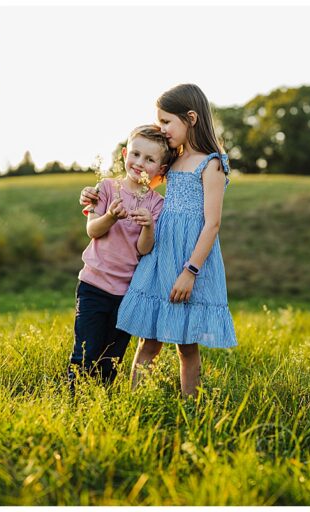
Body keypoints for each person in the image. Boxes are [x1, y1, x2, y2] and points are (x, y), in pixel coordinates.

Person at [81, 84, 237, 396]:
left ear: (190, 118)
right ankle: (136, 400)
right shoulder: (173, 160)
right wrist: (95, 193)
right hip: (159, 256)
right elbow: (134, 183)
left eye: (166, 122)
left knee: (186, 345)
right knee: (148, 340)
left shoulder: (212, 163)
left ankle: (190, 407)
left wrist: (190, 271)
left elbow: (212, 224)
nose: (161, 129)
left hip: (188, 260)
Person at [69, 125, 172, 390]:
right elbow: (93, 230)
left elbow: (144, 249)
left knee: (111, 359)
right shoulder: (106, 188)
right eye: (136, 154)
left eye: (150, 160)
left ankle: (102, 400)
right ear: (125, 154)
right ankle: (74, 400)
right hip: (93, 286)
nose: (140, 163)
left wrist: (148, 226)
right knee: (85, 352)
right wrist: (111, 216)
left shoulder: (156, 204)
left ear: (160, 169)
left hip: (128, 292)